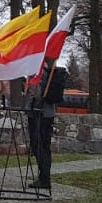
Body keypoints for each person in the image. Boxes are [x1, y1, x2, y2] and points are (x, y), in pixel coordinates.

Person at [27, 62, 68, 190]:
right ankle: (44, 177)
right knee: (43, 146)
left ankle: (45, 178)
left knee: (39, 145)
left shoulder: (41, 71)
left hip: (40, 112)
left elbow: (38, 92)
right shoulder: (44, 69)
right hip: (44, 112)